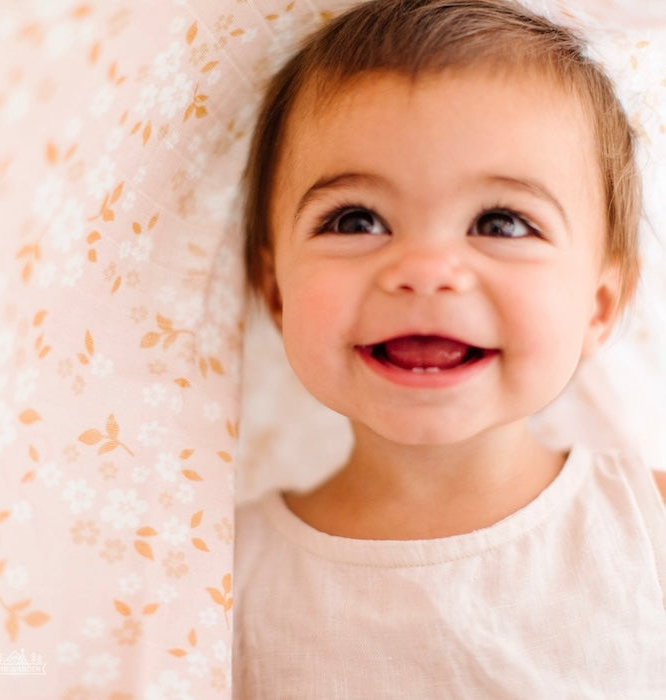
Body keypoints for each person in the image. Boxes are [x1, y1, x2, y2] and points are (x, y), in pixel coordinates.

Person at [234, 0, 666, 696]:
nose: (427, 268)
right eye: (356, 219)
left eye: (501, 221)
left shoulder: (648, 531)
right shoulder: (214, 579)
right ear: (275, 291)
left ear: (599, 305)